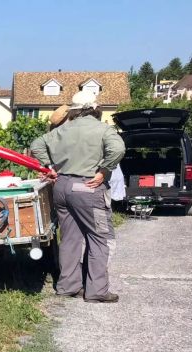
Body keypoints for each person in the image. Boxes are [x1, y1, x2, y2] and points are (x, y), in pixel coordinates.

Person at [30, 91, 126, 303]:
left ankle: (67, 286)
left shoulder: (62, 129)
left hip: (61, 187)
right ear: (95, 108)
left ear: (74, 110)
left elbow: (37, 145)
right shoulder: (102, 129)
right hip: (88, 188)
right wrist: (104, 170)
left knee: (70, 238)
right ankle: (97, 290)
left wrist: (50, 167)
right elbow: (118, 148)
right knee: (100, 238)